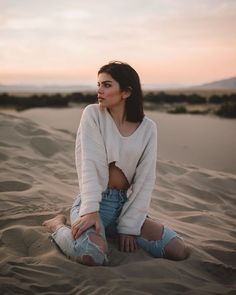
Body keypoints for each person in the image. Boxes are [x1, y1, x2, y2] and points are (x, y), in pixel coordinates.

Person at [43, 61, 190, 266]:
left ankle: (108, 232)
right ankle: (57, 226)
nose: (100, 91)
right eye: (99, 85)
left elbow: (145, 180)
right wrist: (91, 211)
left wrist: (129, 226)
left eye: (107, 85)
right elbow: (90, 165)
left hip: (125, 206)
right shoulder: (93, 114)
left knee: (177, 249)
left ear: (126, 92)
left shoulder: (148, 128)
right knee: (90, 256)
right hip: (93, 203)